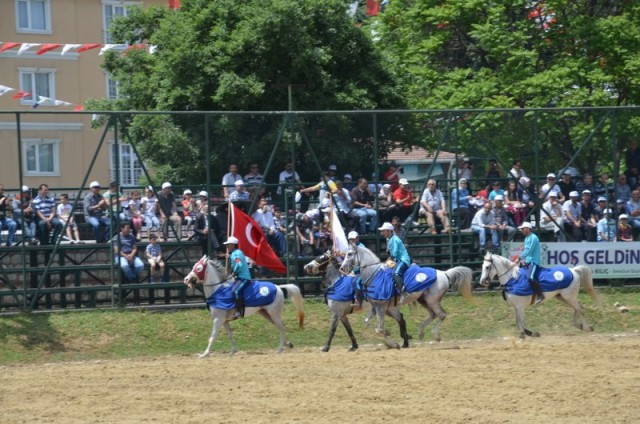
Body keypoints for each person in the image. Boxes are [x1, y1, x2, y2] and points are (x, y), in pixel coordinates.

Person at [513, 222, 544, 305]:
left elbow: (529, 250)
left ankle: (540, 295)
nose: (521, 230)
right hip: (528, 261)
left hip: (534, 261)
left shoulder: (534, 238)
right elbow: (527, 251)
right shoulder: (526, 238)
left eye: (523, 229)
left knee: (530, 277)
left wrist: (519, 258)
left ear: (527, 228)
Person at [378, 222, 411, 298]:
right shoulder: (391, 239)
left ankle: (404, 292)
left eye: (383, 231)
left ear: (388, 231)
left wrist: (388, 261)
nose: (382, 233)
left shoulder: (394, 239)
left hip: (403, 260)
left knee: (395, 273)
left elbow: (394, 253)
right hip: (398, 260)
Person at [224, 236, 252, 320]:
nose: (227, 247)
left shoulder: (235, 254)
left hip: (243, 277)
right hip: (239, 277)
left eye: (228, 245)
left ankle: (238, 311)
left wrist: (234, 272)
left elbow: (239, 264)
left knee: (235, 291)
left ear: (232, 245)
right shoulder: (236, 253)